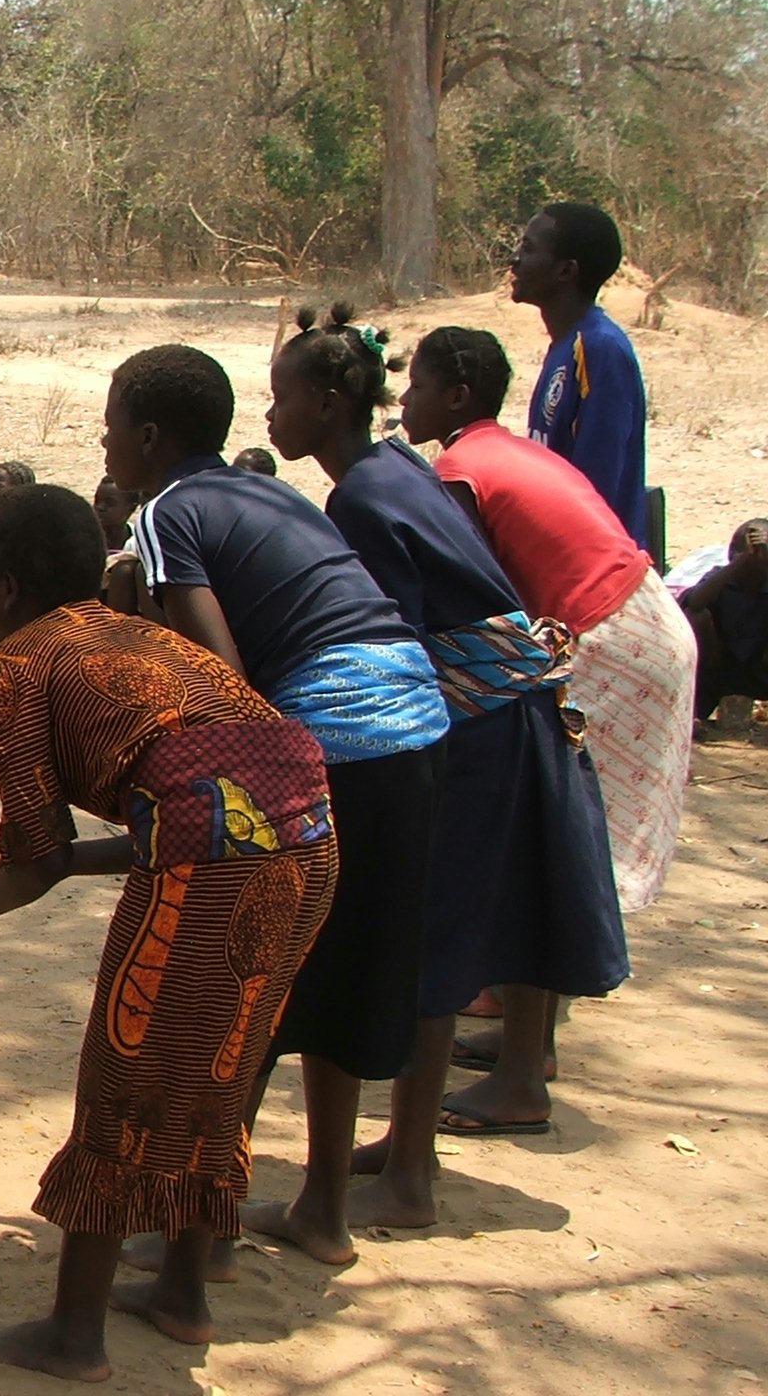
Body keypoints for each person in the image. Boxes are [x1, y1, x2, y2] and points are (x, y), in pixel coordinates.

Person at [0, 484, 337, 1381]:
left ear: (1, 586)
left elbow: (39, 851)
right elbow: (198, 805)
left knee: (125, 1073)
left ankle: (74, 1333)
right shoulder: (144, 634)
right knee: (220, 1063)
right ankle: (183, 1291)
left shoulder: (9, 669)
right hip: (311, 834)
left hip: (214, 864)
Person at [267, 307, 627, 1208]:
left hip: (473, 728)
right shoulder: (395, 469)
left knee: (428, 940)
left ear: (326, 401)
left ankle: (413, 1172)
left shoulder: (362, 496)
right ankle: (404, 1150)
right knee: (440, 933)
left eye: (280, 400)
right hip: (499, 716)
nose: (270, 418)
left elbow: (385, 640)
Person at [109, 343, 448, 1273]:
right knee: (340, 981)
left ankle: (199, 1236)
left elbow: (224, 683)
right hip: (416, 722)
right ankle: (322, 1211)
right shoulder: (274, 496)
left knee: (247, 978)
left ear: (145, 436)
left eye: (109, 424)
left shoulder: (166, 512)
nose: (104, 443)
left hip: (332, 737)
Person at [400, 327, 696, 1116]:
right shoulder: (496, 451)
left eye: (419, 387)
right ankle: (528, 1044)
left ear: (456, 398)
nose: (406, 402)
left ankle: (526, 1072)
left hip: (605, 634)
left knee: (539, 843)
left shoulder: (461, 470)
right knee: (545, 838)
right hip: (632, 619)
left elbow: (467, 595)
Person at [509, 202, 650, 549]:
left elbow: (593, 490)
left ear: (566, 271)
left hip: (593, 573)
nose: (515, 258)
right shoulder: (567, 344)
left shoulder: (599, 349)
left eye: (528, 248)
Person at [681, 519, 768, 717]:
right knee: (696, 616)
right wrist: (740, 562)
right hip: (718, 669)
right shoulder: (719, 579)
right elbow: (694, 604)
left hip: (761, 669)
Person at [92, 476, 134, 552]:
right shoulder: (83, 539)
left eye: (109, 503)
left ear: (131, 508)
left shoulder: (138, 544)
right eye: (97, 501)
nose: (99, 507)